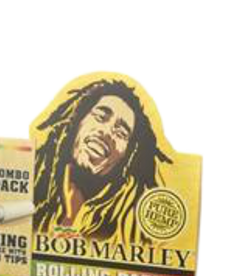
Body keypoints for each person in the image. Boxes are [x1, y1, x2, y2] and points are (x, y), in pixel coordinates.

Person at [33, 79, 172, 245]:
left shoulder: (128, 228)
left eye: (121, 133)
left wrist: (71, 217)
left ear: (126, 158)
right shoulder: (33, 182)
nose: (106, 132)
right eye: (100, 117)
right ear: (77, 122)